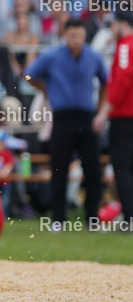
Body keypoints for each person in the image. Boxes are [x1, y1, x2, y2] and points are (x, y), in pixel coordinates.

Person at [26, 19, 107, 227]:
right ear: (65, 35)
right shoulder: (52, 56)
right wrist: (46, 90)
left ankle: (92, 218)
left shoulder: (93, 56)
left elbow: (106, 81)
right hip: (61, 118)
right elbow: (28, 75)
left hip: (86, 116)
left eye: (80, 36)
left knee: (92, 169)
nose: (77, 41)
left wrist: (99, 109)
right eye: (73, 36)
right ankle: (58, 218)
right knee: (59, 168)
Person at [93, 10, 133, 230]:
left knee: (121, 167)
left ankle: (130, 218)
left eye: (113, 25)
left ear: (122, 24)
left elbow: (123, 79)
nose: (110, 30)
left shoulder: (126, 45)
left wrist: (104, 111)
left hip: (125, 115)